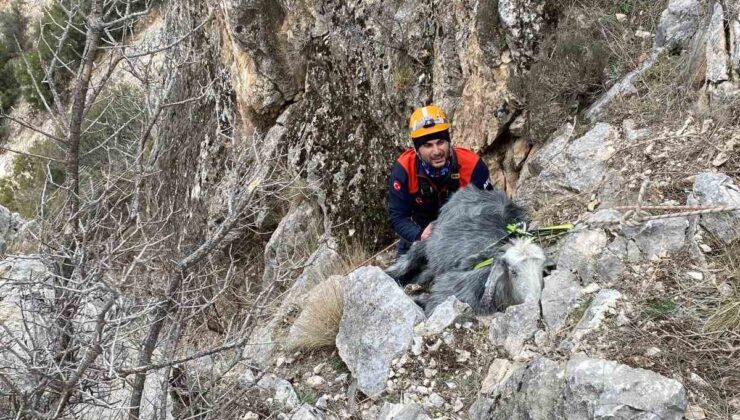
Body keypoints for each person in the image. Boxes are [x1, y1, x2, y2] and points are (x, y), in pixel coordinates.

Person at [388, 104, 493, 255]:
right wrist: (419, 235)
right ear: (417, 149)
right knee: (402, 276)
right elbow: (397, 217)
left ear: (449, 141)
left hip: (464, 239)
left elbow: (489, 209)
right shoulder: (404, 169)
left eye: (440, 142)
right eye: (428, 145)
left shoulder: (472, 165)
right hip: (421, 237)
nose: (436, 151)